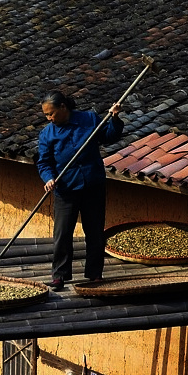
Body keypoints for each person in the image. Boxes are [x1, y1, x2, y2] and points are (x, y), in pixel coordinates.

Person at [36, 90, 124, 291]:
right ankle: (60, 275)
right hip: (66, 187)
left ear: (63, 107)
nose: (49, 118)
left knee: (94, 232)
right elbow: (44, 162)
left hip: (92, 184)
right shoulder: (47, 134)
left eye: (51, 113)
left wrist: (115, 118)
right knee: (62, 233)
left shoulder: (89, 119)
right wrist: (49, 179)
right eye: (46, 115)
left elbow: (110, 136)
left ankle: (94, 274)